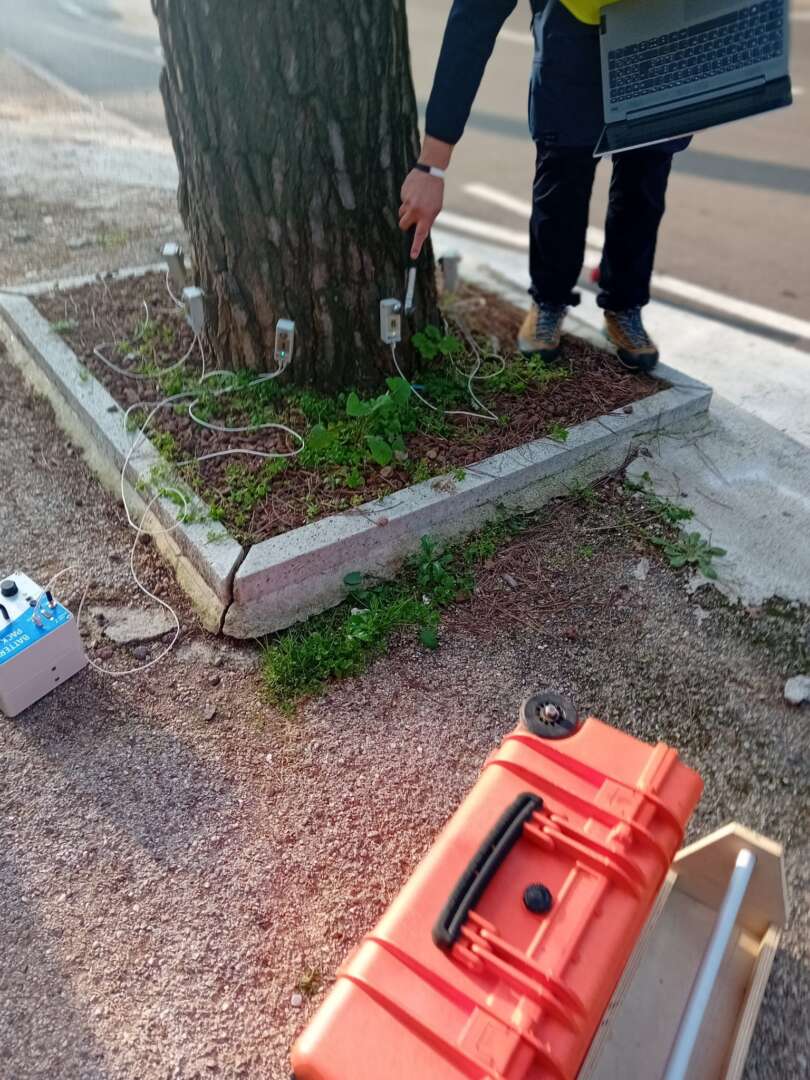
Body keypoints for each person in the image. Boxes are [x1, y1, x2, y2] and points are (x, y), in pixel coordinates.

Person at [398, 0, 691, 373]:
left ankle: (624, 305)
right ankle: (550, 301)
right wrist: (432, 167)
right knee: (563, 176)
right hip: (571, 35)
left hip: (659, 32)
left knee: (645, 178)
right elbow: (473, 21)